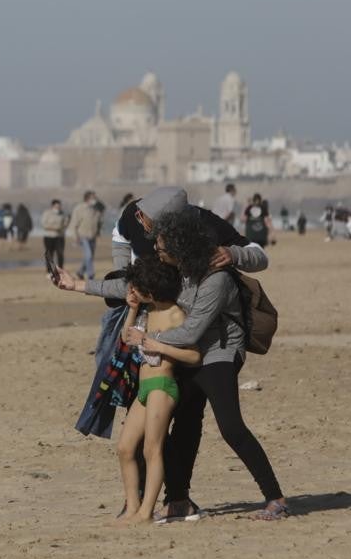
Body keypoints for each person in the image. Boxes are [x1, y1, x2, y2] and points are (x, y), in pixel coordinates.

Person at [62, 187, 270, 519]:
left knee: (192, 421)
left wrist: (232, 254)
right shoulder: (135, 219)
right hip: (165, 338)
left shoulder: (207, 229)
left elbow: (259, 255)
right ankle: (143, 500)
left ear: (170, 231)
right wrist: (90, 282)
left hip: (202, 344)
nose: (140, 220)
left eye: (147, 219)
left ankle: (177, 498)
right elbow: (124, 258)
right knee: (143, 430)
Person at [122, 209, 288, 521]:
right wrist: (78, 285)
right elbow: (138, 286)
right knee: (176, 423)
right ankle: (179, 500)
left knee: (231, 428)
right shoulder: (181, 270)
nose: (156, 251)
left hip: (219, 353)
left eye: (161, 247)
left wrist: (148, 339)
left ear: (180, 248)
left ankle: (275, 498)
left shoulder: (216, 279)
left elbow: (192, 330)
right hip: (190, 352)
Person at [110, 254, 200, 526]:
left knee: (152, 449)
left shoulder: (175, 314)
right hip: (144, 386)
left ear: (151, 290)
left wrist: (156, 344)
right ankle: (132, 509)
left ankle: (146, 513)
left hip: (162, 385)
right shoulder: (147, 311)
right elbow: (126, 338)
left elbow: (194, 356)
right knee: (125, 448)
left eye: (137, 288)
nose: (133, 290)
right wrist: (132, 309)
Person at [70, 191, 104, 280]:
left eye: (95, 198)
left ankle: (80, 272)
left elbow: (99, 222)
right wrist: (75, 237)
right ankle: (90, 275)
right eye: (93, 198)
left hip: (93, 236)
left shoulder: (96, 209)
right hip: (82, 236)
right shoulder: (79, 208)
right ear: (87, 199)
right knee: (88, 255)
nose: (95, 199)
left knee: (89, 257)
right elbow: (74, 223)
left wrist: (99, 233)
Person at [40, 199, 69, 269]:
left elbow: (65, 223)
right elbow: (43, 224)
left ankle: (60, 269)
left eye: (59, 206)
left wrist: (62, 227)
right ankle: (50, 270)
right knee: (50, 254)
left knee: (60, 253)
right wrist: (54, 228)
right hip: (49, 236)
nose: (58, 208)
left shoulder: (63, 213)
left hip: (59, 237)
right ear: (52, 206)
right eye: (56, 206)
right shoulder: (47, 213)